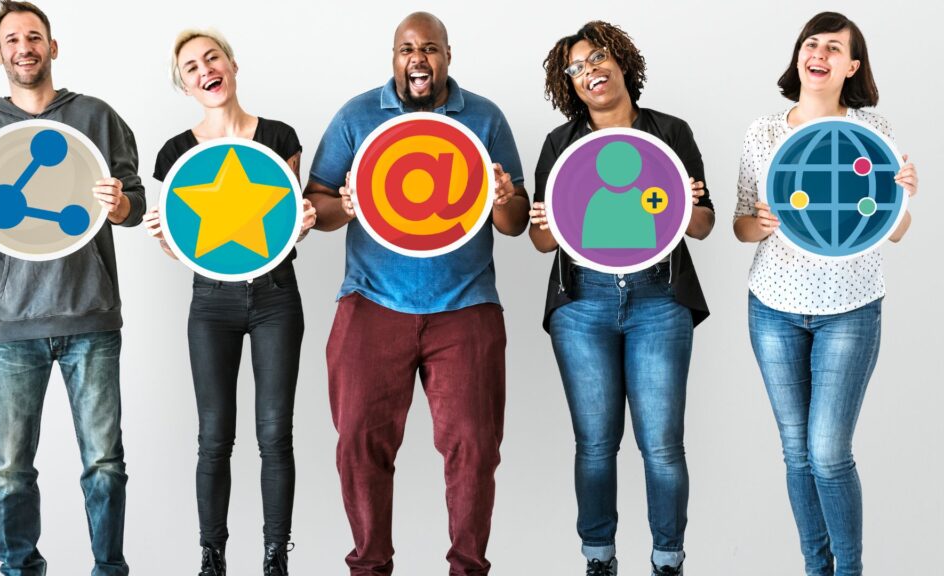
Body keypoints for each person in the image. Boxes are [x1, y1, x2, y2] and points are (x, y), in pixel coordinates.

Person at [303, 11, 527, 575]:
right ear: (393, 58)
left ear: (448, 55)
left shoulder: (485, 117)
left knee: (475, 447)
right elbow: (315, 205)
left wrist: (503, 196)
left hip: (467, 305)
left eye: (429, 48)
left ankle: (467, 568)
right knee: (358, 443)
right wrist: (345, 206)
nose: (418, 59)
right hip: (372, 302)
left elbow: (515, 222)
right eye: (406, 49)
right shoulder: (357, 115)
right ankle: (370, 566)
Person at [0, 2, 145, 574]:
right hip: (13, 322)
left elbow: (136, 208)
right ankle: (19, 570)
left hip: (91, 315)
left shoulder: (96, 117)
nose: (24, 47)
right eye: (13, 39)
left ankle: (109, 569)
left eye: (35, 36)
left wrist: (121, 203)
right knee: (11, 467)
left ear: (53, 47)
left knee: (105, 462)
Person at [733, 12, 917, 576]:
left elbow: (894, 231)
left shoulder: (873, 133)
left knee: (829, 454)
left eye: (834, 47)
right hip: (773, 307)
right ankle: (816, 568)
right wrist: (760, 224)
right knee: (796, 453)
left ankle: (849, 570)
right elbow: (741, 224)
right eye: (811, 43)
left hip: (851, 309)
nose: (819, 52)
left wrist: (904, 197)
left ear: (851, 67)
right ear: (799, 57)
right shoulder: (764, 131)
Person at [528, 21, 715, 576]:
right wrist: (548, 220)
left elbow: (702, 225)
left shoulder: (671, 131)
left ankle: (667, 560)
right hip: (582, 302)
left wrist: (683, 202)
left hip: (659, 298)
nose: (591, 72)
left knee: (661, 445)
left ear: (621, 60)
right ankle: (599, 559)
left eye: (599, 58)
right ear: (570, 86)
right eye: (577, 68)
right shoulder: (560, 145)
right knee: (595, 444)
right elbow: (541, 240)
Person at [142, 29, 316, 576]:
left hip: (276, 298)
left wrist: (304, 224)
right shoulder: (175, 154)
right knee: (214, 436)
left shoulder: (280, 135)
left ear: (232, 65)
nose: (204, 70)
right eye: (190, 67)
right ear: (186, 86)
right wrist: (166, 240)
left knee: (274, 433)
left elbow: (282, 230)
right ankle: (211, 557)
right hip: (211, 303)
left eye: (211, 58)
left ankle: (274, 558)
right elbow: (189, 250)